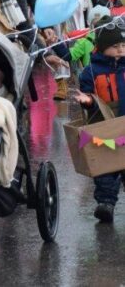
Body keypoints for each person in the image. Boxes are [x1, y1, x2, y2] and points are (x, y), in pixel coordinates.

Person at [75, 17, 125, 223]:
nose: (121, 50)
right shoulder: (91, 72)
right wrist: (88, 101)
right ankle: (106, 203)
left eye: (123, 45)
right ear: (103, 47)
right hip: (104, 126)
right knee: (105, 168)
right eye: (115, 46)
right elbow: (88, 96)